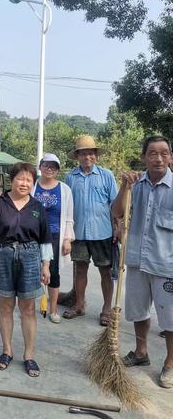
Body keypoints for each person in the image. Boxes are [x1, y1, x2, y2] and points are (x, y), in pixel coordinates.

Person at [0, 162, 52, 376]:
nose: (24, 183)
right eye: (20, 178)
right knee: (6, 306)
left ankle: (29, 355)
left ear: (33, 183)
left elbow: (45, 239)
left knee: (28, 309)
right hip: (2, 255)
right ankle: (7, 350)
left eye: (29, 180)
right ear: (11, 180)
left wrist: (46, 265)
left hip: (31, 257)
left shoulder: (38, 207)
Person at [113, 136, 173, 389]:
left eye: (164, 153)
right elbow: (117, 212)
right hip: (137, 259)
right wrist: (124, 187)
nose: (158, 158)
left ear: (170, 157)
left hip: (167, 264)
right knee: (138, 310)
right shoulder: (136, 185)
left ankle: (170, 363)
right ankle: (140, 353)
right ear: (144, 157)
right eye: (152, 153)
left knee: (170, 318)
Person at [62, 136, 117, 326]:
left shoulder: (106, 175)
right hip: (79, 233)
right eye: (83, 153)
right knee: (80, 270)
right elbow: (67, 207)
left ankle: (106, 310)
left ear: (96, 156)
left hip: (103, 232)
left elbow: (115, 205)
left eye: (91, 153)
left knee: (105, 272)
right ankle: (79, 305)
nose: (87, 156)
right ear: (78, 156)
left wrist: (118, 228)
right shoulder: (70, 177)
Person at [32, 153, 75, 324]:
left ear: (57, 170)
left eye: (53, 166)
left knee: (53, 272)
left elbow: (69, 217)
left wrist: (67, 239)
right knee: (31, 269)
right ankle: (30, 306)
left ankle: (53, 309)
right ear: (41, 167)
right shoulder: (32, 186)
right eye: (46, 165)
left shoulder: (64, 189)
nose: (49, 169)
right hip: (33, 234)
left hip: (56, 235)